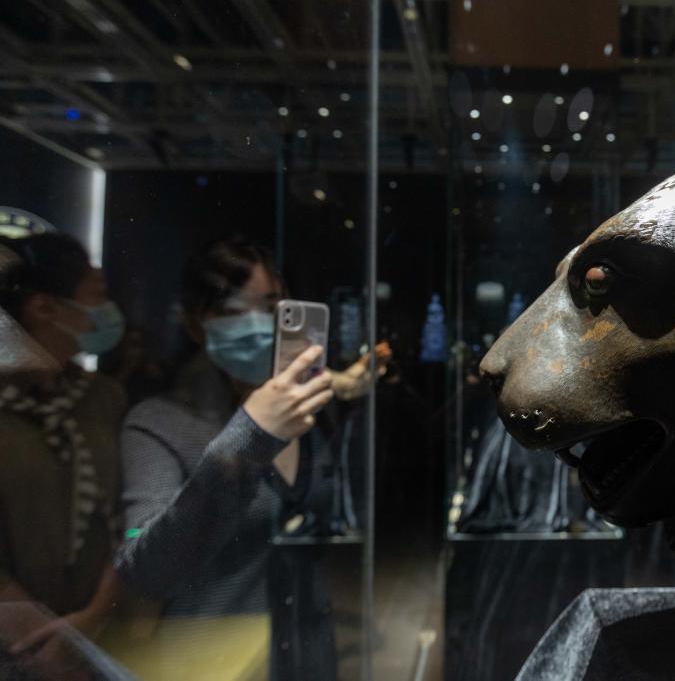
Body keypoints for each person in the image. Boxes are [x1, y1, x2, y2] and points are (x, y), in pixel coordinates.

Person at [113, 237, 387, 674]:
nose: (258, 324)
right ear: (195, 323)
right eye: (233, 311)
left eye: (272, 306)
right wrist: (249, 437)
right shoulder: (158, 423)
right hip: (217, 664)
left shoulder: (306, 415)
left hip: (306, 653)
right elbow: (144, 569)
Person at [0, 233, 126, 673]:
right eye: (97, 296)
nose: (107, 311)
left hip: (98, 644)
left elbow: (129, 522)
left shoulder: (104, 398)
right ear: (44, 307)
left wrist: (93, 621)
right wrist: (45, 651)